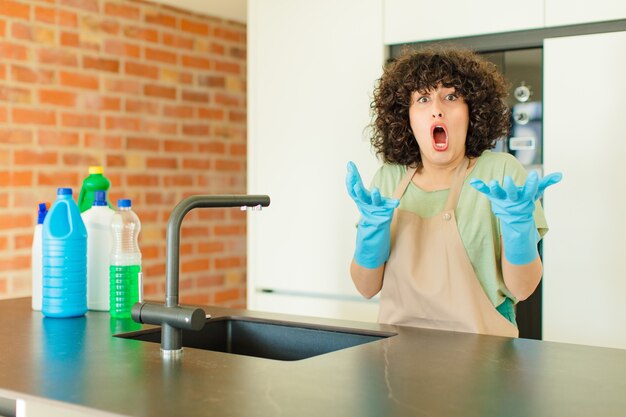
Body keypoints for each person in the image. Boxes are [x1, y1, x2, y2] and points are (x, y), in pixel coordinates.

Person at [345, 46, 562, 337]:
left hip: (484, 361)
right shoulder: (388, 179)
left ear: (472, 110)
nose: (437, 108)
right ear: (405, 118)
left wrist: (518, 225)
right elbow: (366, 287)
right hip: (399, 361)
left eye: (451, 96)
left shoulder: (500, 174)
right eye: (422, 98)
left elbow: (523, 288)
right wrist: (371, 231)